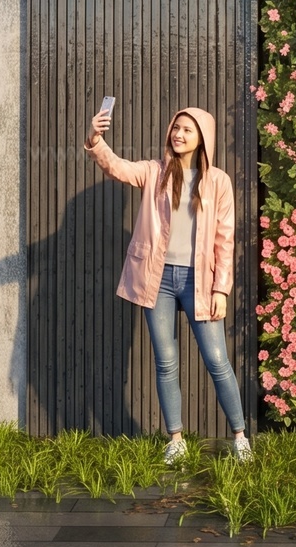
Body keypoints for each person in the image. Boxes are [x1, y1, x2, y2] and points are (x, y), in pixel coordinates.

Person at [86, 103, 252, 464]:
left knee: (217, 360)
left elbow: (225, 240)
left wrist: (221, 289)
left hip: (199, 280)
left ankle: (240, 437)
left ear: (202, 138)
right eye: (176, 128)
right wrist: (96, 139)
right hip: (157, 279)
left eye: (187, 130)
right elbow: (117, 167)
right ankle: (176, 440)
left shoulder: (218, 182)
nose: (179, 134)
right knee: (166, 361)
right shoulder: (155, 172)